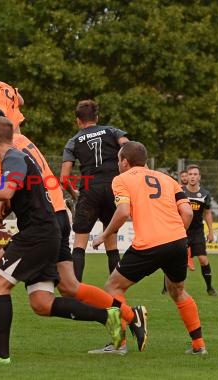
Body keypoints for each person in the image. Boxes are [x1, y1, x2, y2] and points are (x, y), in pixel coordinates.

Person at [0, 109, 145, 357]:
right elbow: (10, 200)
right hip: (52, 218)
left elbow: (6, 193)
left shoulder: (12, 156)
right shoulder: (19, 151)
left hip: (44, 226)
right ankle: (122, 315)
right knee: (48, 299)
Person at [91, 141, 208, 356]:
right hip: (178, 241)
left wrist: (104, 235)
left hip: (149, 244)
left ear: (125, 162)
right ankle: (199, 345)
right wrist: (175, 237)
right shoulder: (168, 179)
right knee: (178, 291)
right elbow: (188, 214)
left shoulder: (121, 179)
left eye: (118, 160)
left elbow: (124, 211)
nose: (118, 164)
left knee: (113, 287)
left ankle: (119, 344)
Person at [60, 99, 129, 282]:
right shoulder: (113, 131)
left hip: (90, 191)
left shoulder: (73, 142)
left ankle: (74, 295)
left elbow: (64, 179)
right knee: (112, 246)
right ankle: (117, 294)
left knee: (79, 245)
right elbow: (128, 146)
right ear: (97, 117)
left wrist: (75, 195)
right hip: (114, 189)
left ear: (78, 120)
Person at [182, 164, 218, 296]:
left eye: (195, 174)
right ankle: (169, 287)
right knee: (177, 259)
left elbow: (207, 213)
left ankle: (209, 287)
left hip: (197, 232)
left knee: (203, 260)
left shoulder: (205, 194)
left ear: (199, 177)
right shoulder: (180, 192)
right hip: (182, 231)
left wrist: (211, 231)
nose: (192, 177)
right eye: (190, 174)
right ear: (187, 176)